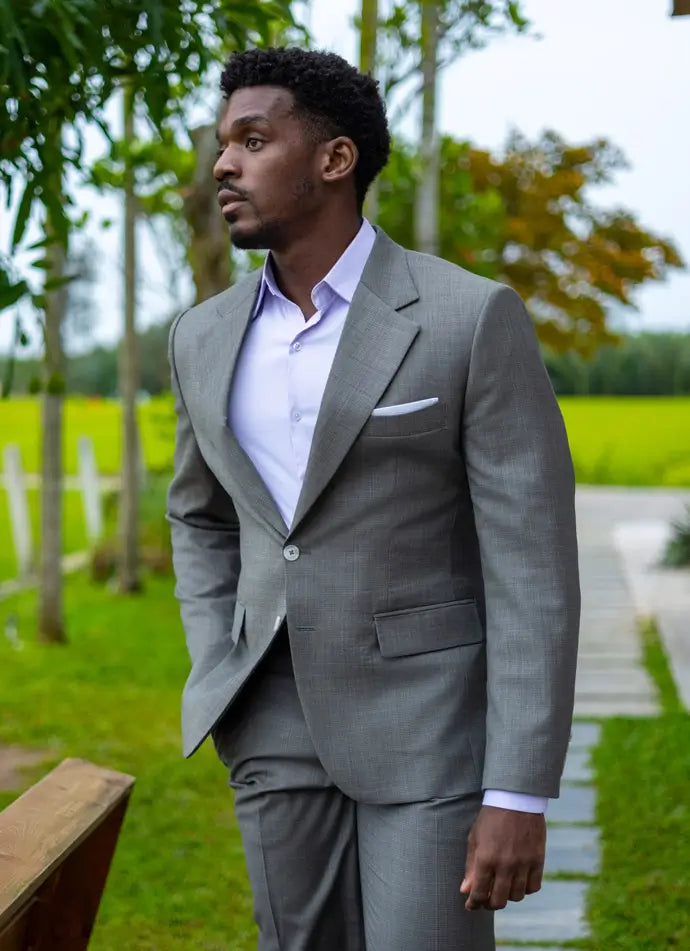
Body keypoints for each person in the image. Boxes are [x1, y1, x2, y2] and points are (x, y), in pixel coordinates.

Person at [167, 46, 580, 951]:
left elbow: (533, 565)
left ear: (335, 158)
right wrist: (218, 654)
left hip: (429, 726)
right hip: (270, 720)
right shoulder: (201, 336)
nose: (223, 164)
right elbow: (198, 513)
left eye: (252, 140)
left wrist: (518, 789)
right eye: (222, 143)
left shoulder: (468, 316)